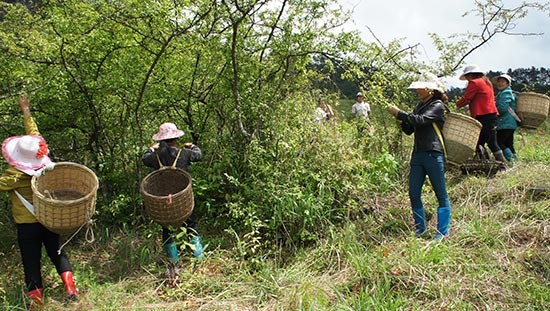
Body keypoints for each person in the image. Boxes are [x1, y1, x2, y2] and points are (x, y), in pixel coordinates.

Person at [0, 95, 78, 309]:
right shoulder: (46, 165)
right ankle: (71, 288)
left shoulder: (12, 175)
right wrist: (26, 110)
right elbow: (34, 136)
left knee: (31, 262)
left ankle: (36, 303)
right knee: (57, 252)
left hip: (27, 225)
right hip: (48, 218)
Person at [387, 72, 451, 241]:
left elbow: (421, 120)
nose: (417, 90)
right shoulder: (419, 106)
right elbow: (410, 129)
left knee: (440, 193)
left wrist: (400, 113)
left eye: (420, 87)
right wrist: (400, 119)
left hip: (432, 152)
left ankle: (443, 231)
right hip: (418, 154)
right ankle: (420, 228)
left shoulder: (438, 106)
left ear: (429, 89)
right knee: (413, 193)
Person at [142, 122, 204, 263]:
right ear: (176, 138)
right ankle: (198, 258)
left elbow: (145, 158)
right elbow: (199, 155)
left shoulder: (156, 156)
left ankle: (173, 261)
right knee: (191, 225)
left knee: (167, 228)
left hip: (163, 200)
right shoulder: (184, 153)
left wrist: (151, 149)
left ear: (161, 140)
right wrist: (192, 146)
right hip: (183, 198)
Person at [455, 65, 507, 164]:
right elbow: (481, 99)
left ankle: (501, 165)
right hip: (490, 115)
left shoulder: (474, 82)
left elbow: (467, 98)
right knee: (479, 142)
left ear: (470, 75)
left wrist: (457, 105)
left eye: (466, 76)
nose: (466, 79)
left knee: (491, 142)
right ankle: (482, 163)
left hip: (484, 116)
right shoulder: (486, 82)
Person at [492, 73, 519, 162]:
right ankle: (515, 162)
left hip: (506, 123)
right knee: (508, 143)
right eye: (499, 81)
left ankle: (513, 160)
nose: (500, 83)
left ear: (507, 84)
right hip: (509, 123)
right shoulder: (502, 93)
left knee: (499, 143)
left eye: (502, 81)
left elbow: (503, 108)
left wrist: (493, 111)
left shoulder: (506, 92)